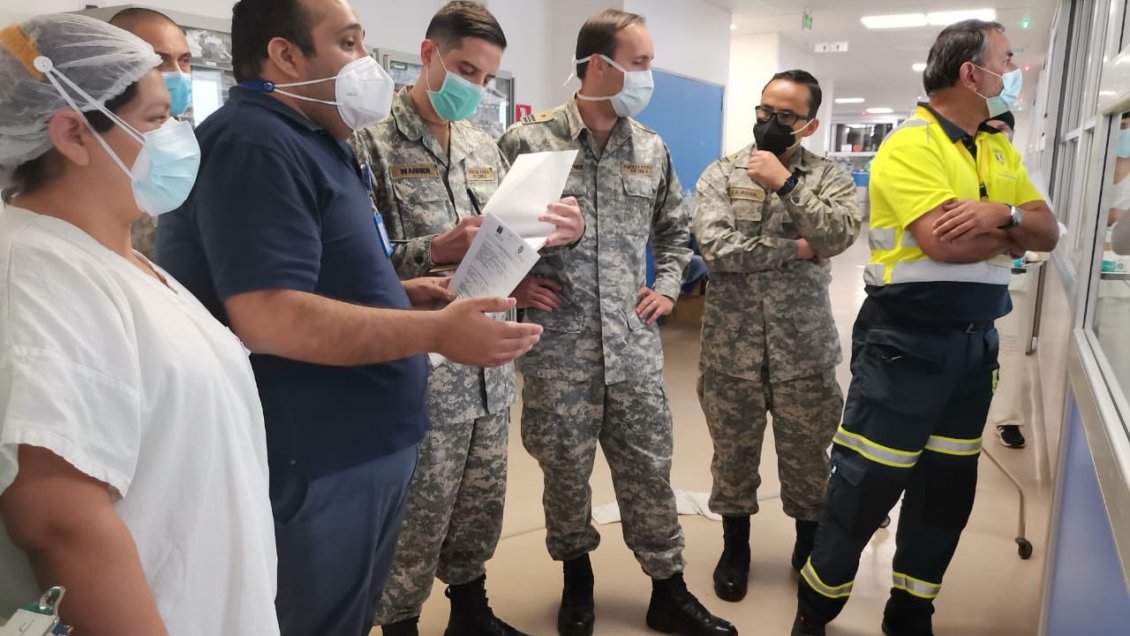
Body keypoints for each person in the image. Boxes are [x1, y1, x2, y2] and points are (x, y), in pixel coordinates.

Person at [155, 0, 543, 634]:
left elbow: (327, 274)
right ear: (285, 55)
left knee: (346, 613)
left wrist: (400, 293)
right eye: (351, 43)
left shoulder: (314, 139)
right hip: (317, 455)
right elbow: (271, 316)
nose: (367, 63)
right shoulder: (254, 143)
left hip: (362, 444)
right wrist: (437, 332)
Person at [0, 14, 277, 635]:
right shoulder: (40, 274)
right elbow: (59, 518)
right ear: (72, 134)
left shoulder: (115, 258)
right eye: (155, 121)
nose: (178, 135)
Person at [793, 20, 1059, 636]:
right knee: (865, 486)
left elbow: (1048, 229)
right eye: (1007, 59)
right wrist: (1013, 234)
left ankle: (911, 608)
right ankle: (817, 610)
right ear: (972, 73)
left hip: (975, 348)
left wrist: (1003, 214)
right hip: (904, 347)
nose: (1013, 71)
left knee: (946, 489)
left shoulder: (994, 147)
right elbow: (943, 244)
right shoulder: (913, 144)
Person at [498, 10, 736, 636]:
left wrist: (665, 285)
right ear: (599, 66)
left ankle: (669, 589)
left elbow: (675, 229)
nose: (648, 75)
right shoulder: (529, 142)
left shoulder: (650, 148)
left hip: (632, 350)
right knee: (564, 474)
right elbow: (487, 244)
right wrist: (517, 281)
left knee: (649, 470)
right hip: (558, 353)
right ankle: (577, 584)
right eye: (642, 62)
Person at [349, 3, 584, 635]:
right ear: (428, 55)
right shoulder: (368, 142)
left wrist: (553, 237)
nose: (475, 88)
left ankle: (471, 613)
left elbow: (505, 235)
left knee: (480, 503)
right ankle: (398, 623)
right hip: (418, 369)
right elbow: (354, 268)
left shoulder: (484, 145)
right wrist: (433, 249)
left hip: (485, 367)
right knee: (417, 514)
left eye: (486, 77)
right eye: (464, 70)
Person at [692, 69, 860, 603]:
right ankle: (735, 547)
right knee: (733, 457)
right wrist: (796, 250)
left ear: (807, 126)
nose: (770, 122)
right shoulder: (721, 173)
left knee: (809, 459)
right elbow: (717, 250)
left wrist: (785, 185)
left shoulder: (829, 178)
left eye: (784, 115)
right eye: (764, 111)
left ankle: (807, 544)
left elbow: (837, 235)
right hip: (730, 350)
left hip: (802, 351)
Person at [108, 8, 193, 260]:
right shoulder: (104, 144)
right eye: (159, 60)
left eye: (184, 60)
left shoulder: (186, 144)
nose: (177, 73)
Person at [981, 111, 1033, 449]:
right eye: (994, 129)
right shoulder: (968, 173)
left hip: (1014, 280)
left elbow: (1043, 229)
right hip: (970, 281)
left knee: (1010, 353)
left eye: (1006, 130)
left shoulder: (1021, 174)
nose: (1001, 136)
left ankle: (1009, 420)